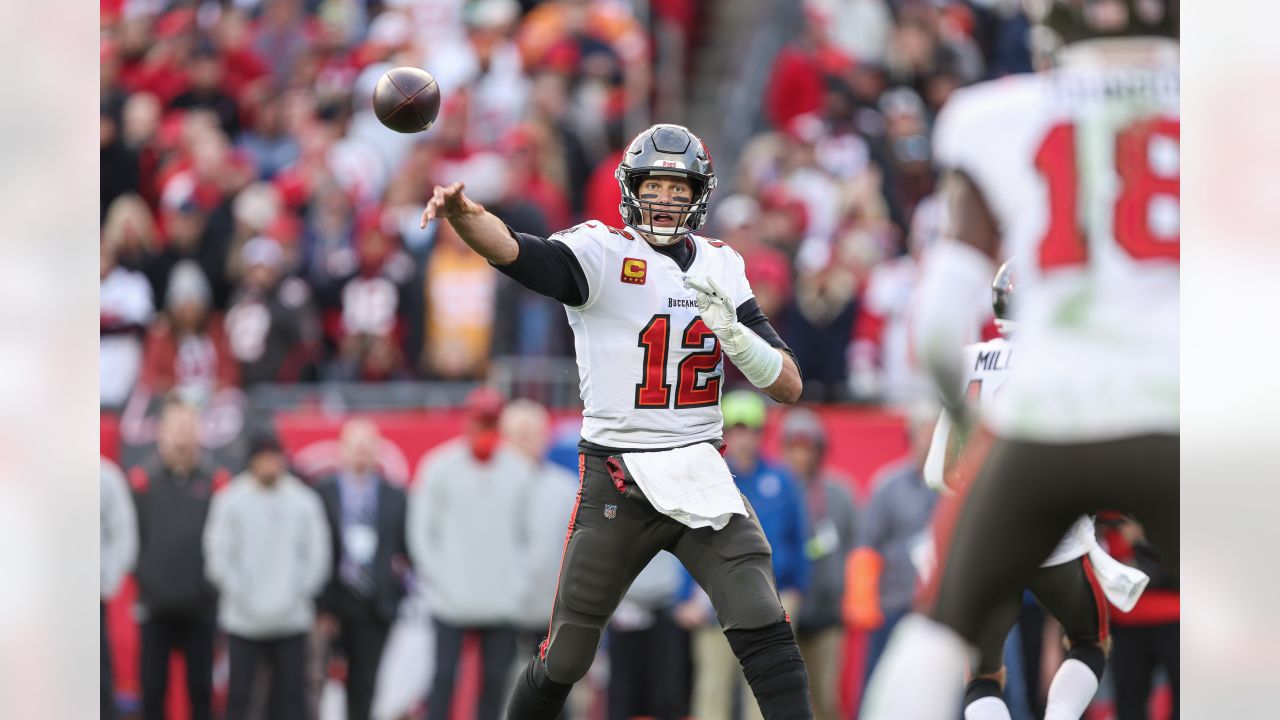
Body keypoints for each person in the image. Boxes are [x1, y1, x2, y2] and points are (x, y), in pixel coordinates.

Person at [419, 123, 810, 719]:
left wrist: (737, 335)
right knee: (568, 654)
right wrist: (466, 216)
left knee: (760, 610)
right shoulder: (603, 254)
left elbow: (787, 384)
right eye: (655, 185)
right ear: (631, 189)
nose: (666, 200)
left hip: (699, 466)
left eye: (679, 189)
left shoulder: (723, 266)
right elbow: (518, 252)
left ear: (698, 196)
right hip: (619, 474)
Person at [861, 3, 1180, 717]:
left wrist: (966, 422)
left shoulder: (996, 114)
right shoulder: (1241, 105)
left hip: (1047, 429)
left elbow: (939, 324)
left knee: (938, 635)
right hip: (1181, 417)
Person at [920, 263, 1145, 720]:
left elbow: (944, 469)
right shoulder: (1072, 359)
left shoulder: (968, 360)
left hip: (985, 532)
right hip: (1051, 531)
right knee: (1089, 639)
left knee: (983, 675)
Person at [677, 390, 810, 720]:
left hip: (772, 596)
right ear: (724, 432)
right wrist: (684, 596)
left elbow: (801, 541)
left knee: (764, 691)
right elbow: (685, 538)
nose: (743, 437)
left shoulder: (782, 480)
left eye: (751, 429)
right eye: (736, 428)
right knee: (712, 690)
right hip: (717, 597)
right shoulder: (707, 480)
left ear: (762, 433)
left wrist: (798, 593)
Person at [407, 388, 533, 720]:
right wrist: (439, 577)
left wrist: (518, 582)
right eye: (480, 421)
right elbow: (421, 532)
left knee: (495, 683)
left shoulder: (519, 471)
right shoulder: (439, 466)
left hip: (502, 602)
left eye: (491, 422)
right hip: (451, 599)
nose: (485, 430)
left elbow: (530, 535)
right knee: (443, 679)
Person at [204, 432, 331, 720]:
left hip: (291, 620)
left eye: (274, 457)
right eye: (263, 458)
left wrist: (296, 594)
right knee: (241, 699)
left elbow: (318, 555)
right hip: (243, 621)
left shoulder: (303, 501)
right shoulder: (230, 500)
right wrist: (243, 596)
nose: (270, 465)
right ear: (251, 462)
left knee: (290, 700)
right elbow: (218, 556)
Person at [129, 398, 225, 720]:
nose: (182, 435)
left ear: (199, 431)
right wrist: (147, 581)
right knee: (153, 692)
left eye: (188, 426)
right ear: (161, 432)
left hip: (201, 607)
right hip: (156, 608)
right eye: (175, 427)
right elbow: (132, 541)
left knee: (201, 693)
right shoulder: (143, 482)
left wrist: (211, 586)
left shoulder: (216, 482)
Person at [314, 419, 411, 720]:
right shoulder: (322, 491)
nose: (360, 451)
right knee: (314, 682)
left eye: (367, 445)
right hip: (331, 603)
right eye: (354, 444)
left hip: (374, 605)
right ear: (341, 449)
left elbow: (406, 552)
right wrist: (320, 604)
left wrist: (397, 594)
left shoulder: (395, 495)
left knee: (365, 687)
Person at [843, 403, 938, 701]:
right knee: (879, 691)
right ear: (911, 438)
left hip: (939, 612)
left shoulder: (955, 488)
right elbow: (866, 546)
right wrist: (864, 603)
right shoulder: (888, 486)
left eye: (936, 436)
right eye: (924, 435)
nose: (930, 443)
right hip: (894, 606)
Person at [776, 407, 857, 720]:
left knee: (826, 696)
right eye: (794, 446)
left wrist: (844, 591)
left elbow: (854, 545)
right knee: (785, 694)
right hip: (784, 608)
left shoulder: (840, 493)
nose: (800, 455)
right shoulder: (776, 490)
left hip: (827, 611)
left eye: (807, 446)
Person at [101, 459, 138, 720]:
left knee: (97, 673)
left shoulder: (105, 476)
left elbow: (123, 532)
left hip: (88, 595)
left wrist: (107, 581)